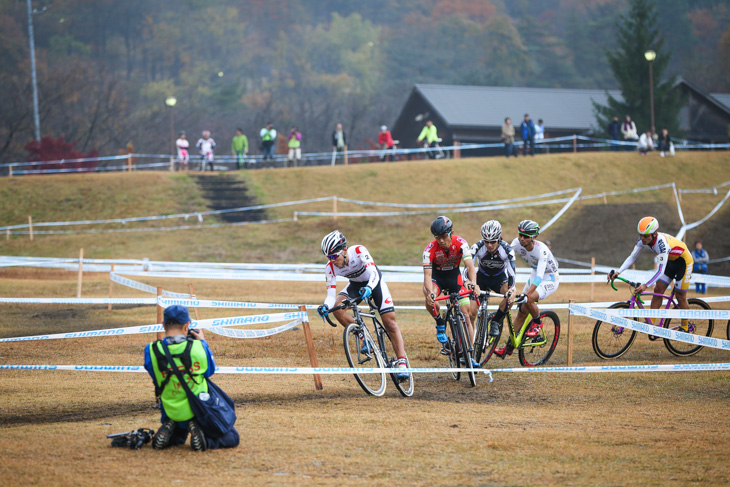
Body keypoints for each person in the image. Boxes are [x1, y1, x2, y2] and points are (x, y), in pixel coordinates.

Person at [144, 305, 240, 451]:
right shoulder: (197, 347)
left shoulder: (151, 349)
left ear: (163, 325)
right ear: (187, 326)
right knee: (232, 437)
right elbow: (209, 371)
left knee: (177, 436)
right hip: (197, 407)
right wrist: (203, 342)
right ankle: (203, 437)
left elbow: (154, 375)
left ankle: (172, 429)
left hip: (170, 407)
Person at [316, 231, 409, 379]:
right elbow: (330, 295)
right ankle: (363, 336)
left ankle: (402, 363)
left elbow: (374, 273)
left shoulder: (359, 251)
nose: (332, 260)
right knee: (337, 308)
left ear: (345, 251)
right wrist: (325, 306)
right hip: (355, 285)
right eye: (328, 257)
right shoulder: (330, 267)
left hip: (374, 282)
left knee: (389, 322)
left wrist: (370, 288)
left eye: (334, 256)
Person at [609, 217, 694, 331]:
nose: (642, 238)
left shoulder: (662, 244)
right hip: (670, 261)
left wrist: (646, 285)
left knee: (680, 295)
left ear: (655, 234)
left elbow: (660, 271)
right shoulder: (642, 241)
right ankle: (652, 323)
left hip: (684, 262)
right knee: (658, 289)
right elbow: (632, 257)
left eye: (646, 236)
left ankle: (685, 326)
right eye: (641, 235)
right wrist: (618, 271)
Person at [495, 220, 559, 358]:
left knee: (528, 298)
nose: (522, 239)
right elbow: (506, 255)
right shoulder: (517, 243)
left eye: (526, 236)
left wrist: (527, 294)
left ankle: (537, 323)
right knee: (522, 312)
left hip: (549, 278)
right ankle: (508, 347)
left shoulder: (542, 250)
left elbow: (540, 276)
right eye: (520, 235)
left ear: (534, 237)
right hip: (535, 273)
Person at [423, 216, 481, 367]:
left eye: (443, 236)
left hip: (455, 278)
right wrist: (430, 293)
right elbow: (427, 276)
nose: (441, 240)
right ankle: (440, 322)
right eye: (437, 237)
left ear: (451, 232)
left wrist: (473, 283)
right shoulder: (429, 250)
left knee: (466, 315)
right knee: (428, 296)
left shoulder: (461, 243)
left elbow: (470, 266)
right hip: (437, 279)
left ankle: (470, 353)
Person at [463, 220, 516, 338]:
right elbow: (468, 267)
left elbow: (511, 273)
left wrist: (511, 289)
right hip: (481, 278)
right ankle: (469, 345)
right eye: (486, 241)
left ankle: (496, 321)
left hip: (499, 279)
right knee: (471, 313)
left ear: (499, 238)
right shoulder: (477, 247)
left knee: (511, 297)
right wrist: (470, 282)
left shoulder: (507, 250)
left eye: (493, 241)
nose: (490, 245)